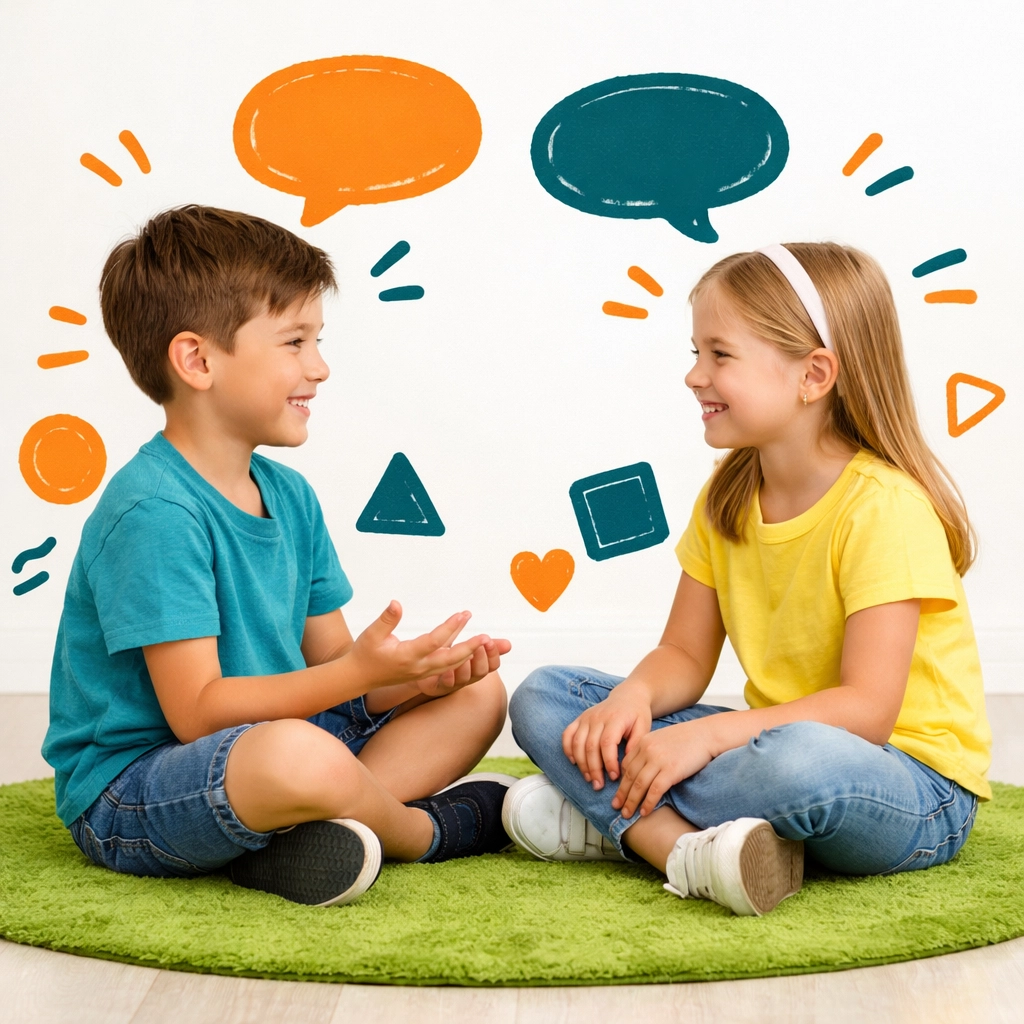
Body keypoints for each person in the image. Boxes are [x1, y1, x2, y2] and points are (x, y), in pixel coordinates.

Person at [42, 205, 515, 908]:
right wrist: (357, 675)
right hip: (139, 788)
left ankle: (303, 829)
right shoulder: (153, 514)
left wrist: (407, 677)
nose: (319, 368)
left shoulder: (289, 496)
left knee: (477, 696)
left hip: (271, 743)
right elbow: (198, 715)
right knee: (298, 756)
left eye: (317, 341)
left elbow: (331, 675)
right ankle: (417, 832)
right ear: (198, 360)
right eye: (295, 342)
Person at [504, 242, 991, 916]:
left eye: (719, 354)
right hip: (767, 743)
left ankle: (610, 818)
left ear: (813, 374)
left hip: (905, 786)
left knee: (800, 764)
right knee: (545, 696)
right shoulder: (726, 497)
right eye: (694, 352)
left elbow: (867, 712)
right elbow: (683, 655)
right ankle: (679, 847)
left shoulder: (884, 509)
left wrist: (703, 737)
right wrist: (637, 698)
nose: (694, 376)